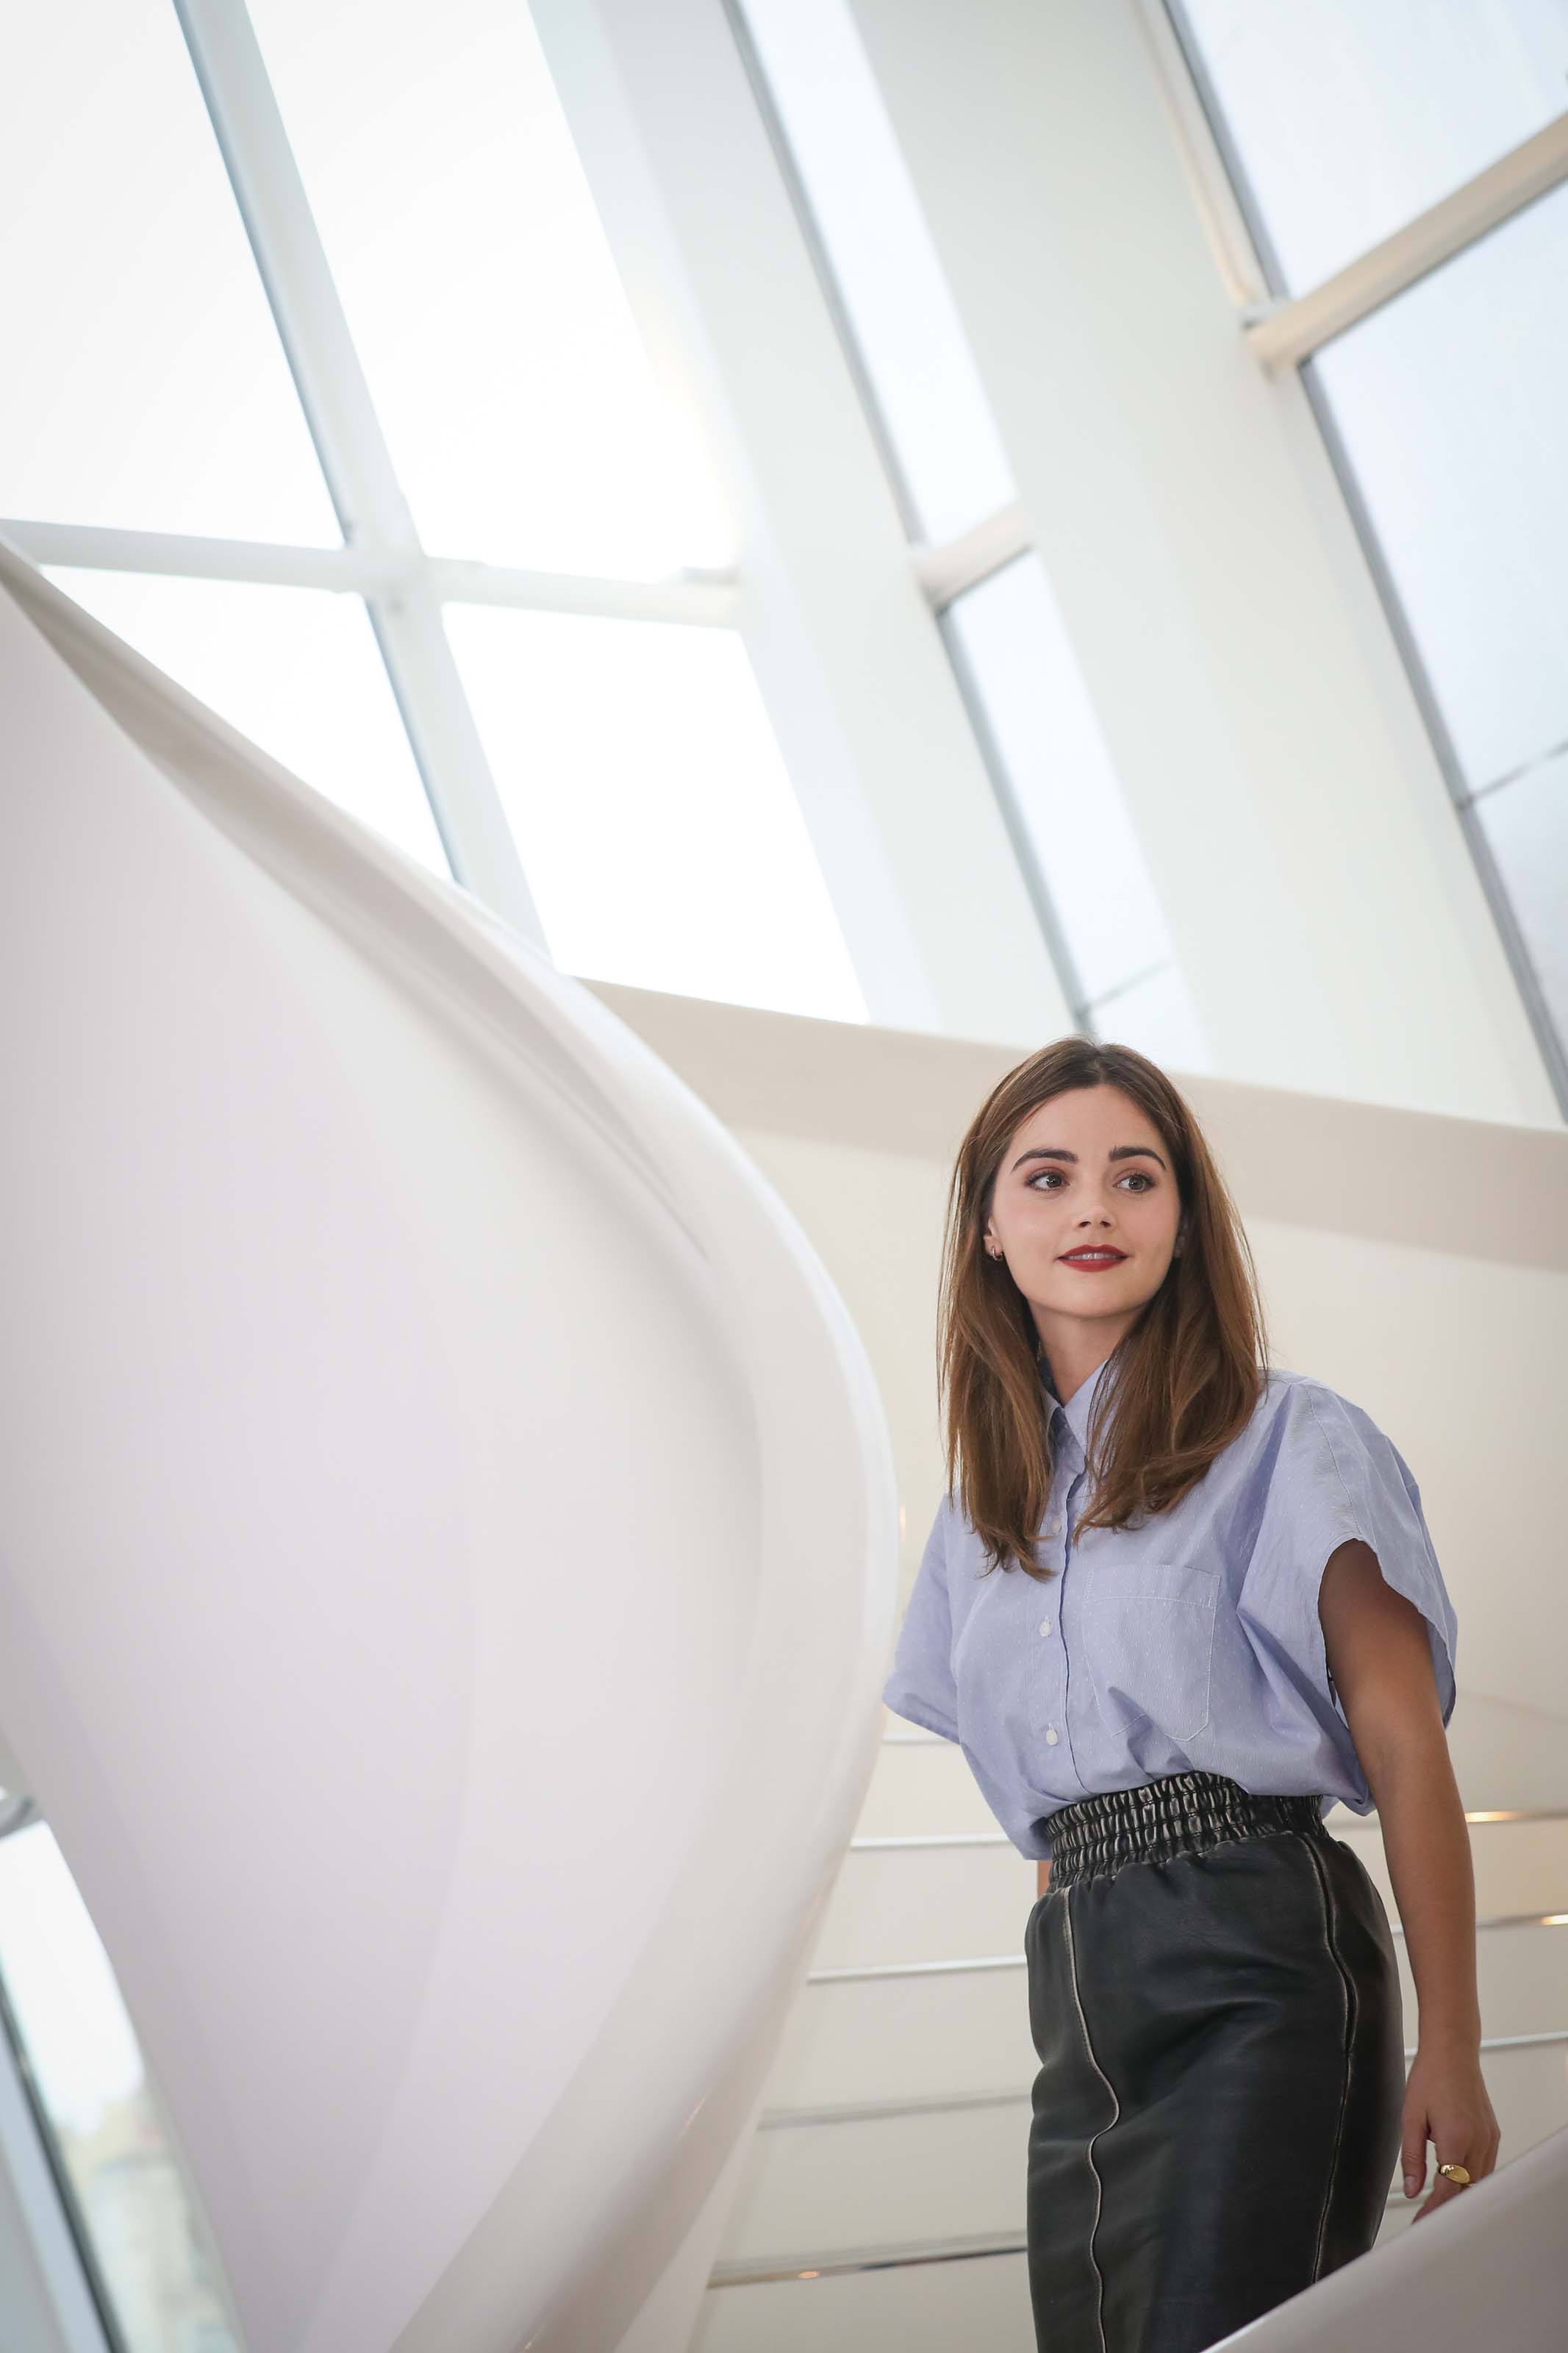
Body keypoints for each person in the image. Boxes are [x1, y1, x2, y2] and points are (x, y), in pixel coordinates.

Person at [881, 1038, 1499, 2353]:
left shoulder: (1291, 1436)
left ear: (1183, 1219)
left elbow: (1402, 1746)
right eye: (1046, 1178)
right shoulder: (974, 1520)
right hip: (1084, 2000)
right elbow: (1050, 1828)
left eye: (1135, 1177)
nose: (1093, 1208)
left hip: (1256, 1959)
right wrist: (1071, 1977)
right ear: (987, 1225)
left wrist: (1450, 2043)